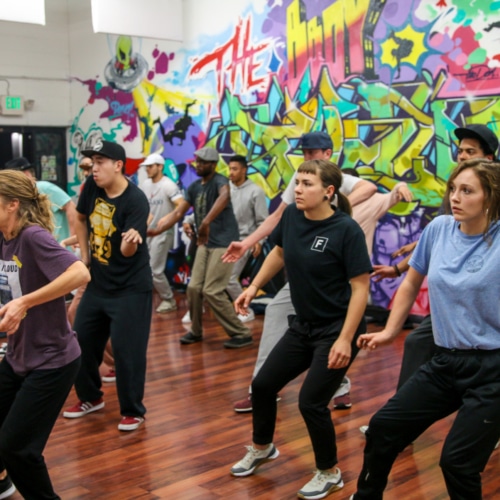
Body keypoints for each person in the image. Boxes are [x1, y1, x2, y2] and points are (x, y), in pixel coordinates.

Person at [351, 158, 500, 500]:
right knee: (382, 428)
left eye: (467, 191)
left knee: (457, 463)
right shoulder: (439, 229)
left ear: (490, 197)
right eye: (453, 189)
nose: (455, 197)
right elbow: (410, 283)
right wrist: (389, 331)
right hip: (446, 361)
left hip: (493, 369)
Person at [229, 159, 372, 500]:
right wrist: (253, 287)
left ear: (328, 191)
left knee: (311, 402)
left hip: (336, 330)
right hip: (303, 326)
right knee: (262, 385)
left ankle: (330, 472)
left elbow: (360, 288)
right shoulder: (292, 216)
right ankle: (262, 447)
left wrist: (344, 340)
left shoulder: (345, 230)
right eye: (298, 183)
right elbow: (278, 252)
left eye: (308, 184)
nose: (298, 189)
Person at [226, 131, 377, 412]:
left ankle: (336, 384)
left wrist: (329, 212)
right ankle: (260, 387)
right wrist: (248, 245)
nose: (307, 158)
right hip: (301, 277)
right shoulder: (298, 197)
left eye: (313, 153)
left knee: (328, 346)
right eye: (304, 153)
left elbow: (369, 189)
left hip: (329, 282)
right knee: (275, 314)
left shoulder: (338, 182)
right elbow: (277, 227)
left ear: (327, 154)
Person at [0, 170, 90, 499]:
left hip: (52, 361)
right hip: (18, 355)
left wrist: (25, 302)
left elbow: (80, 272)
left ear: (12, 205)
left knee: (19, 449)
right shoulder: (3, 238)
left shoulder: (32, 237)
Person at [63, 139, 153, 432]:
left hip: (131, 289)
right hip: (99, 285)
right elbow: (79, 217)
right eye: (92, 162)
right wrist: (85, 260)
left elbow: (129, 253)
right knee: (81, 343)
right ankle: (91, 397)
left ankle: (133, 411)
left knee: (128, 352)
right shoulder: (92, 188)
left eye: (100, 162)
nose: (94, 168)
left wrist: (129, 242)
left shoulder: (136, 200)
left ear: (118, 166)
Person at [147, 146, 253, 348]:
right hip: (205, 243)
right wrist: (157, 230)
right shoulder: (195, 186)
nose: (199, 165)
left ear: (213, 165)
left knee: (212, 290)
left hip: (224, 243)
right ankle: (195, 331)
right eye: (198, 161)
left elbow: (224, 196)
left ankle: (241, 333)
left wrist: (204, 223)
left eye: (203, 162)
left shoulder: (220, 182)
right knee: (194, 288)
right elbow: (178, 213)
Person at [140, 152, 185, 313]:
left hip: (163, 233)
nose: (147, 170)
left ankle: (169, 299)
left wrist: (166, 217)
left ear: (160, 167)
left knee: (155, 270)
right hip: (147, 233)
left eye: (150, 167)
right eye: (146, 167)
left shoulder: (168, 185)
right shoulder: (145, 184)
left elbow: (181, 205)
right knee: (144, 267)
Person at [226, 154, 269, 322]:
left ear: (244, 170)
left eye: (235, 169)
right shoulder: (225, 189)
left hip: (245, 241)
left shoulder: (255, 191)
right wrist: (189, 220)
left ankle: (246, 310)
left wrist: (258, 241)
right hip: (224, 241)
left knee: (229, 278)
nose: (231, 172)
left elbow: (263, 221)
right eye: (230, 169)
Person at [4, 157, 77, 244]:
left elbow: (70, 206)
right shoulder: (20, 196)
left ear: (26, 174)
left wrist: (73, 237)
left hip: (60, 245)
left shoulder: (43, 187)